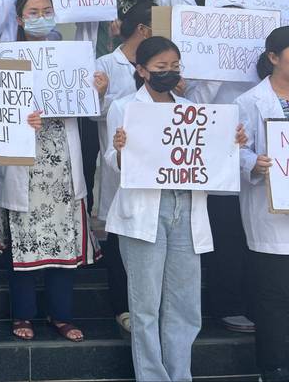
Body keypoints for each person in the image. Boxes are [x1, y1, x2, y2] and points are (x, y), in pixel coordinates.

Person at [105, 36, 246, 381]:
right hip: (143, 212)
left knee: (185, 305)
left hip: (186, 205)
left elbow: (211, 158)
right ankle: (153, 376)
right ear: (141, 71)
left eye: (174, 67)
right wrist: (121, 150)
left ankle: (180, 374)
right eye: (160, 68)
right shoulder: (124, 107)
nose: (169, 73)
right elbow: (113, 164)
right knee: (146, 306)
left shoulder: (191, 110)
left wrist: (232, 142)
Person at [0, 0, 104, 342]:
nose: (41, 16)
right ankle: (22, 314)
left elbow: (87, 107)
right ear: (19, 19)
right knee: (23, 243)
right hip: (25, 166)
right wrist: (19, 119)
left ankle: (62, 315)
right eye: (33, 11)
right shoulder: (3, 58)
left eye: (47, 10)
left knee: (64, 243)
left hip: (63, 169)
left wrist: (97, 88)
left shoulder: (73, 56)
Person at [93, 0, 157, 333]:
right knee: (119, 240)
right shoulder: (106, 63)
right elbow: (93, 114)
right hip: (119, 167)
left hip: (159, 172)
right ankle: (123, 306)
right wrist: (103, 96)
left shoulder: (166, 64)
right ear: (144, 28)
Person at [236, 26, 289, 382]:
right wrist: (254, 161)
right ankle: (273, 367)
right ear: (273, 57)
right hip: (271, 213)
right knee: (273, 298)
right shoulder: (248, 101)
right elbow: (236, 149)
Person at [75, 0, 130, 216]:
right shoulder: (82, 3)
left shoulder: (129, 7)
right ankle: (85, 218)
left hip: (116, 93)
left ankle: (109, 218)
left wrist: (122, 33)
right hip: (87, 89)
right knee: (84, 159)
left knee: (115, 157)